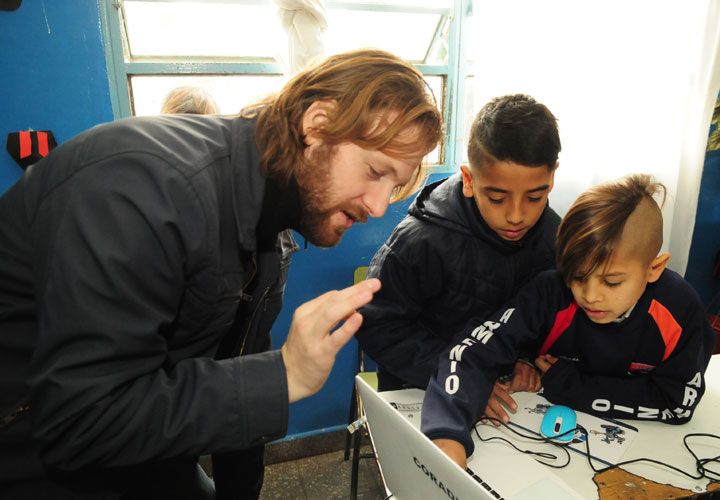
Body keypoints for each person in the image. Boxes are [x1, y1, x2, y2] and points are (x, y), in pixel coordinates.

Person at [0, 49, 442, 499]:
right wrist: (284, 376)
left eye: (395, 185)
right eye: (374, 172)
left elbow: (235, 375)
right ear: (317, 124)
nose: (379, 206)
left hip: (144, 450)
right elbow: (80, 420)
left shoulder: (271, 235)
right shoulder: (145, 186)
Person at [421, 174, 717, 469]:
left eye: (612, 282)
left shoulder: (679, 309)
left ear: (654, 268)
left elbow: (677, 404)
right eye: (578, 276)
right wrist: (446, 437)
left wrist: (570, 384)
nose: (590, 296)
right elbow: (469, 352)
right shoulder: (551, 291)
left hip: (651, 454)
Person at [356, 94, 561, 417]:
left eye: (535, 197)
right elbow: (379, 326)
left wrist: (525, 359)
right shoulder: (421, 240)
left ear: (552, 179)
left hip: (509, 396)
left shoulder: (554, 238)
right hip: (422, 386)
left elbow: (549, 320)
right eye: (496, 198)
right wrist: (459, 376)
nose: (516, 216)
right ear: (469, 180)